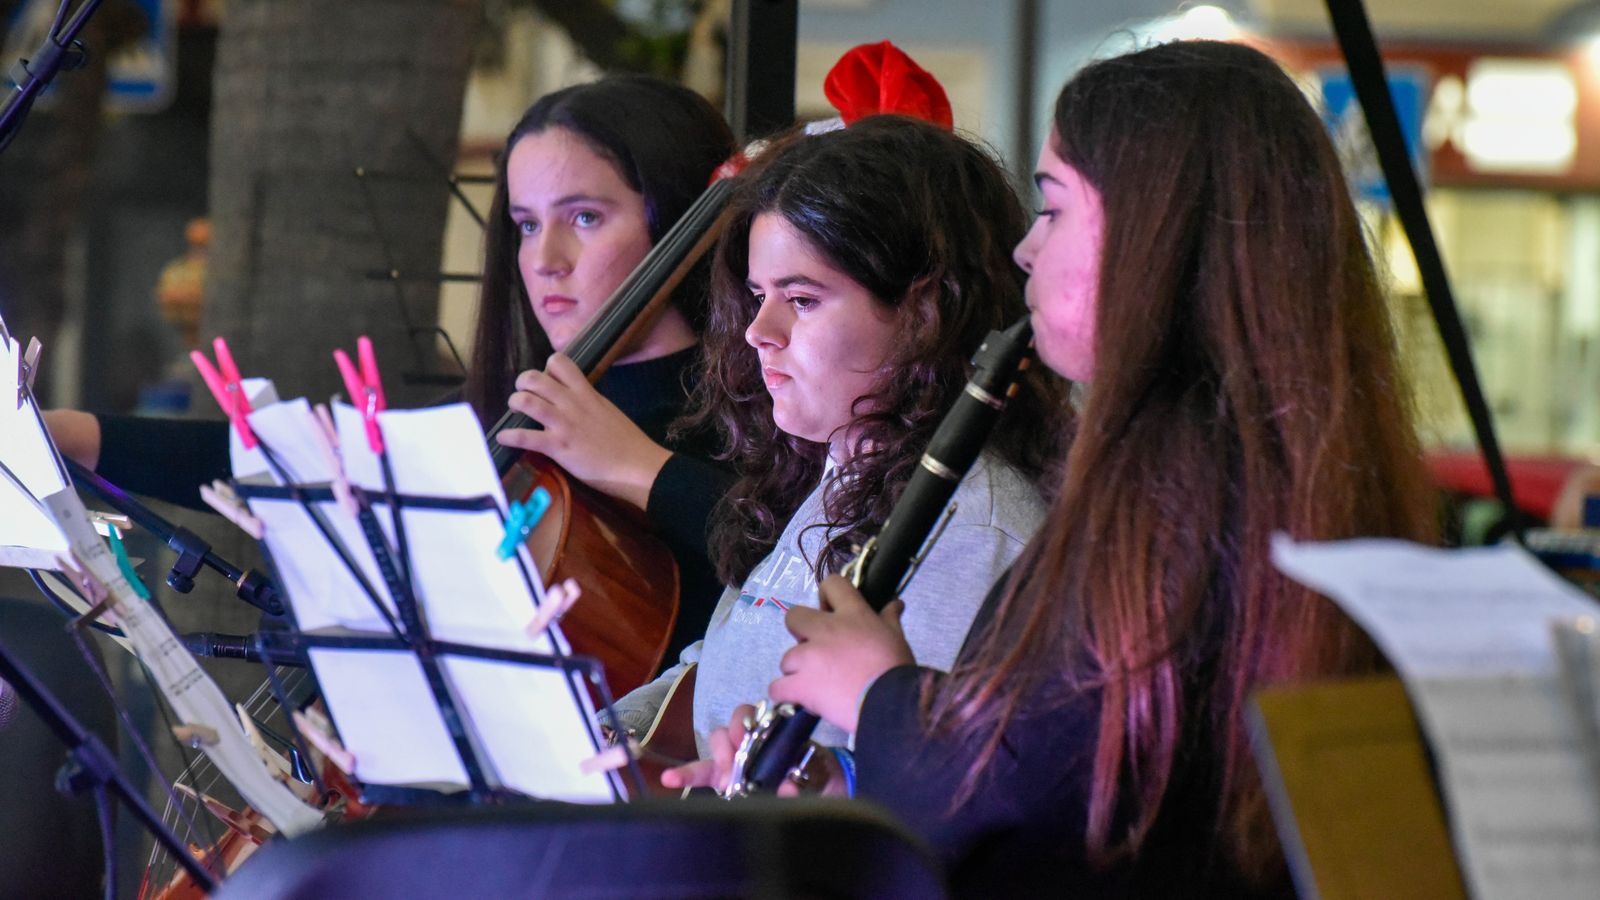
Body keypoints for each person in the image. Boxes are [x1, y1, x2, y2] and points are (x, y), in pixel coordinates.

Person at [671, 40, 1440, 897]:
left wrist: (882, 698)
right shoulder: (1242, 467)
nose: (1026, 252)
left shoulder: (1175, 495)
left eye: (1055, 209)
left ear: (1156, 235)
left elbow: (1061, 804)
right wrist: (840, 783)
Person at [45, 75, 736, 659]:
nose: (545, 258)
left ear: (675, 218)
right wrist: (76, 436)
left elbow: (803, 559)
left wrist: (639, 468)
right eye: (526, 224)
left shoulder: (766, 422)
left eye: (584, 217)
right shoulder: (513, 421)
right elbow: (295, 461)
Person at [607, 112, 1065, 757]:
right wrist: (603, 734)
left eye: (801, 299)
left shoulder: (976, 532)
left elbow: (935, 772)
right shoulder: (831, 470)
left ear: (925, 311)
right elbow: (721, 665)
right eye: (759, 294)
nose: (758, 331)